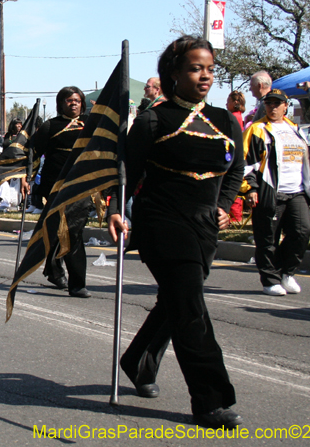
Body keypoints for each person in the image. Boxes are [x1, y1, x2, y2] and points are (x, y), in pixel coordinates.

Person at [108, 35, 245, 429]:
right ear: (173, 73)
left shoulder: (226, 121)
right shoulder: (153, 119)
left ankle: (137, 361)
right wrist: (117, 211)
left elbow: (235, 169)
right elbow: (126, 173)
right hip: (162, 222)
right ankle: (210, 400)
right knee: (190, 310)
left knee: (177, 302)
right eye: (195, 68)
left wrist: (224, 206)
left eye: (210, 69)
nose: (205, 76)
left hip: (204, 226)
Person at [244, 90, 310, 296]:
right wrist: (250, 188)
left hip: (297, 191)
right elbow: (246, 163)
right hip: (270, 192)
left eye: (277, 104)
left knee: (302, 231)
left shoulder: (294, 129)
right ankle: (270, 280)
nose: (273, 107)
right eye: (269, 103)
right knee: (268, 239)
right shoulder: (257, 129)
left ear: (286, 106)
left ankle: (287, 272)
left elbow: (305, 161)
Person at [20, 86, 91, 297]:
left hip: (83, 186)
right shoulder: (51, 126)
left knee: (72, 230)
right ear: (61, 104)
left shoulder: (91, 124)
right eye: (69, 100)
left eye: (77, 100)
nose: (74, 103)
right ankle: (74, 282)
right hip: (55, 187)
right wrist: (26, 177)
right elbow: (33, 153)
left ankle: (56, 270)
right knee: (64, 230)